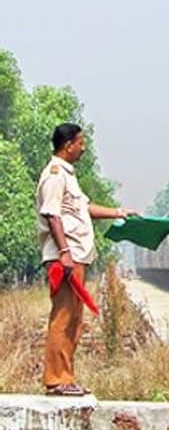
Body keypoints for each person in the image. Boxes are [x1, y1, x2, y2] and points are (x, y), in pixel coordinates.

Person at [36, 123, 138, 396]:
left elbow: (84, 209)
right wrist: (64, 252)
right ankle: (56, 380)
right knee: (64, 317)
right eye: (81, 142)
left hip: (75, 256)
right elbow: (52, 214)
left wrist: (119, 212)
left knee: (75, 319)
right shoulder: (55, 174)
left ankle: (66, 378)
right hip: (65, 258)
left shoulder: (69, 176)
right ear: (68, 144)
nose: (84, 147)